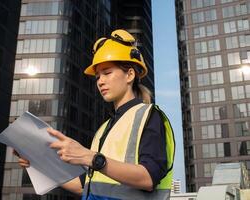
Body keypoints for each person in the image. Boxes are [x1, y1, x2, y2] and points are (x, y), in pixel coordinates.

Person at [16, 29, 175, 200]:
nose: (100, 81)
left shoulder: (149, 116)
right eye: (98, 76)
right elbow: (84, 186)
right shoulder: (104, 129)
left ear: (129, 75)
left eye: (107, 73)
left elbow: (149, 177)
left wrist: (90, 157)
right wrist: (37, 165)